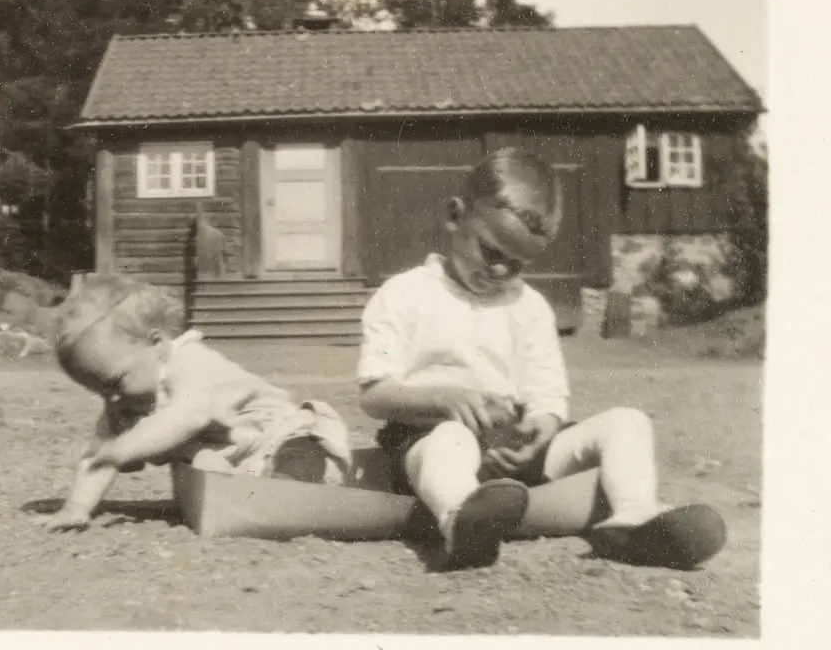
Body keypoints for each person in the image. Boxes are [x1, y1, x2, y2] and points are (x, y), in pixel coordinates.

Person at [357, 147, 727, 571]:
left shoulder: (529, 306)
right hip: (430, 438)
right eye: (491, 252)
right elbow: (374, 393)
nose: (500, 272)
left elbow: (546, 391)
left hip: (513, 451)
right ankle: (462, 521)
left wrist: (542, 427)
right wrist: (440, 399)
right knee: (449, 443)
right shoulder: (404, 295)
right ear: (455, 215)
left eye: (516, 264)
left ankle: (633, 519)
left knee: (628, 421)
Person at [36, 274, 354, 532]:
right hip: (241, 459)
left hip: (281, 434)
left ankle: (288, 496)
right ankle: (259, 496)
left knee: (300, 452)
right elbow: (100, 456)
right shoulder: (125, 400)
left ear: (157, 345)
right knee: (205, 472)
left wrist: (123, 449)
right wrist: (77, 507)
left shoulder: (190, 363)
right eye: (99, 391)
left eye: (116, 382)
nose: (111, 399)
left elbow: (188, 415)